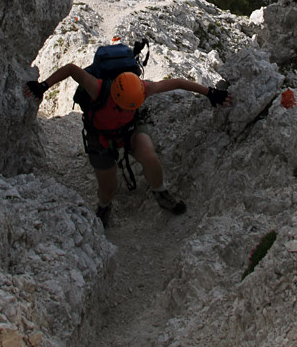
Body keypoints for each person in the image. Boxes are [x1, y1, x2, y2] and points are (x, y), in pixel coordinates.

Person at [23, 63, 231, 227]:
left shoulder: (142, 89)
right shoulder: (97, 88)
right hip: (100, 137)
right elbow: (71, 69)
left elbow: (177, 83)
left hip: (129, 130)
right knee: (108, 187)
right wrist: (43, 86)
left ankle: (160, 193)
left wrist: (210, 93)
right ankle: (104, 206)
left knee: (150, 159)